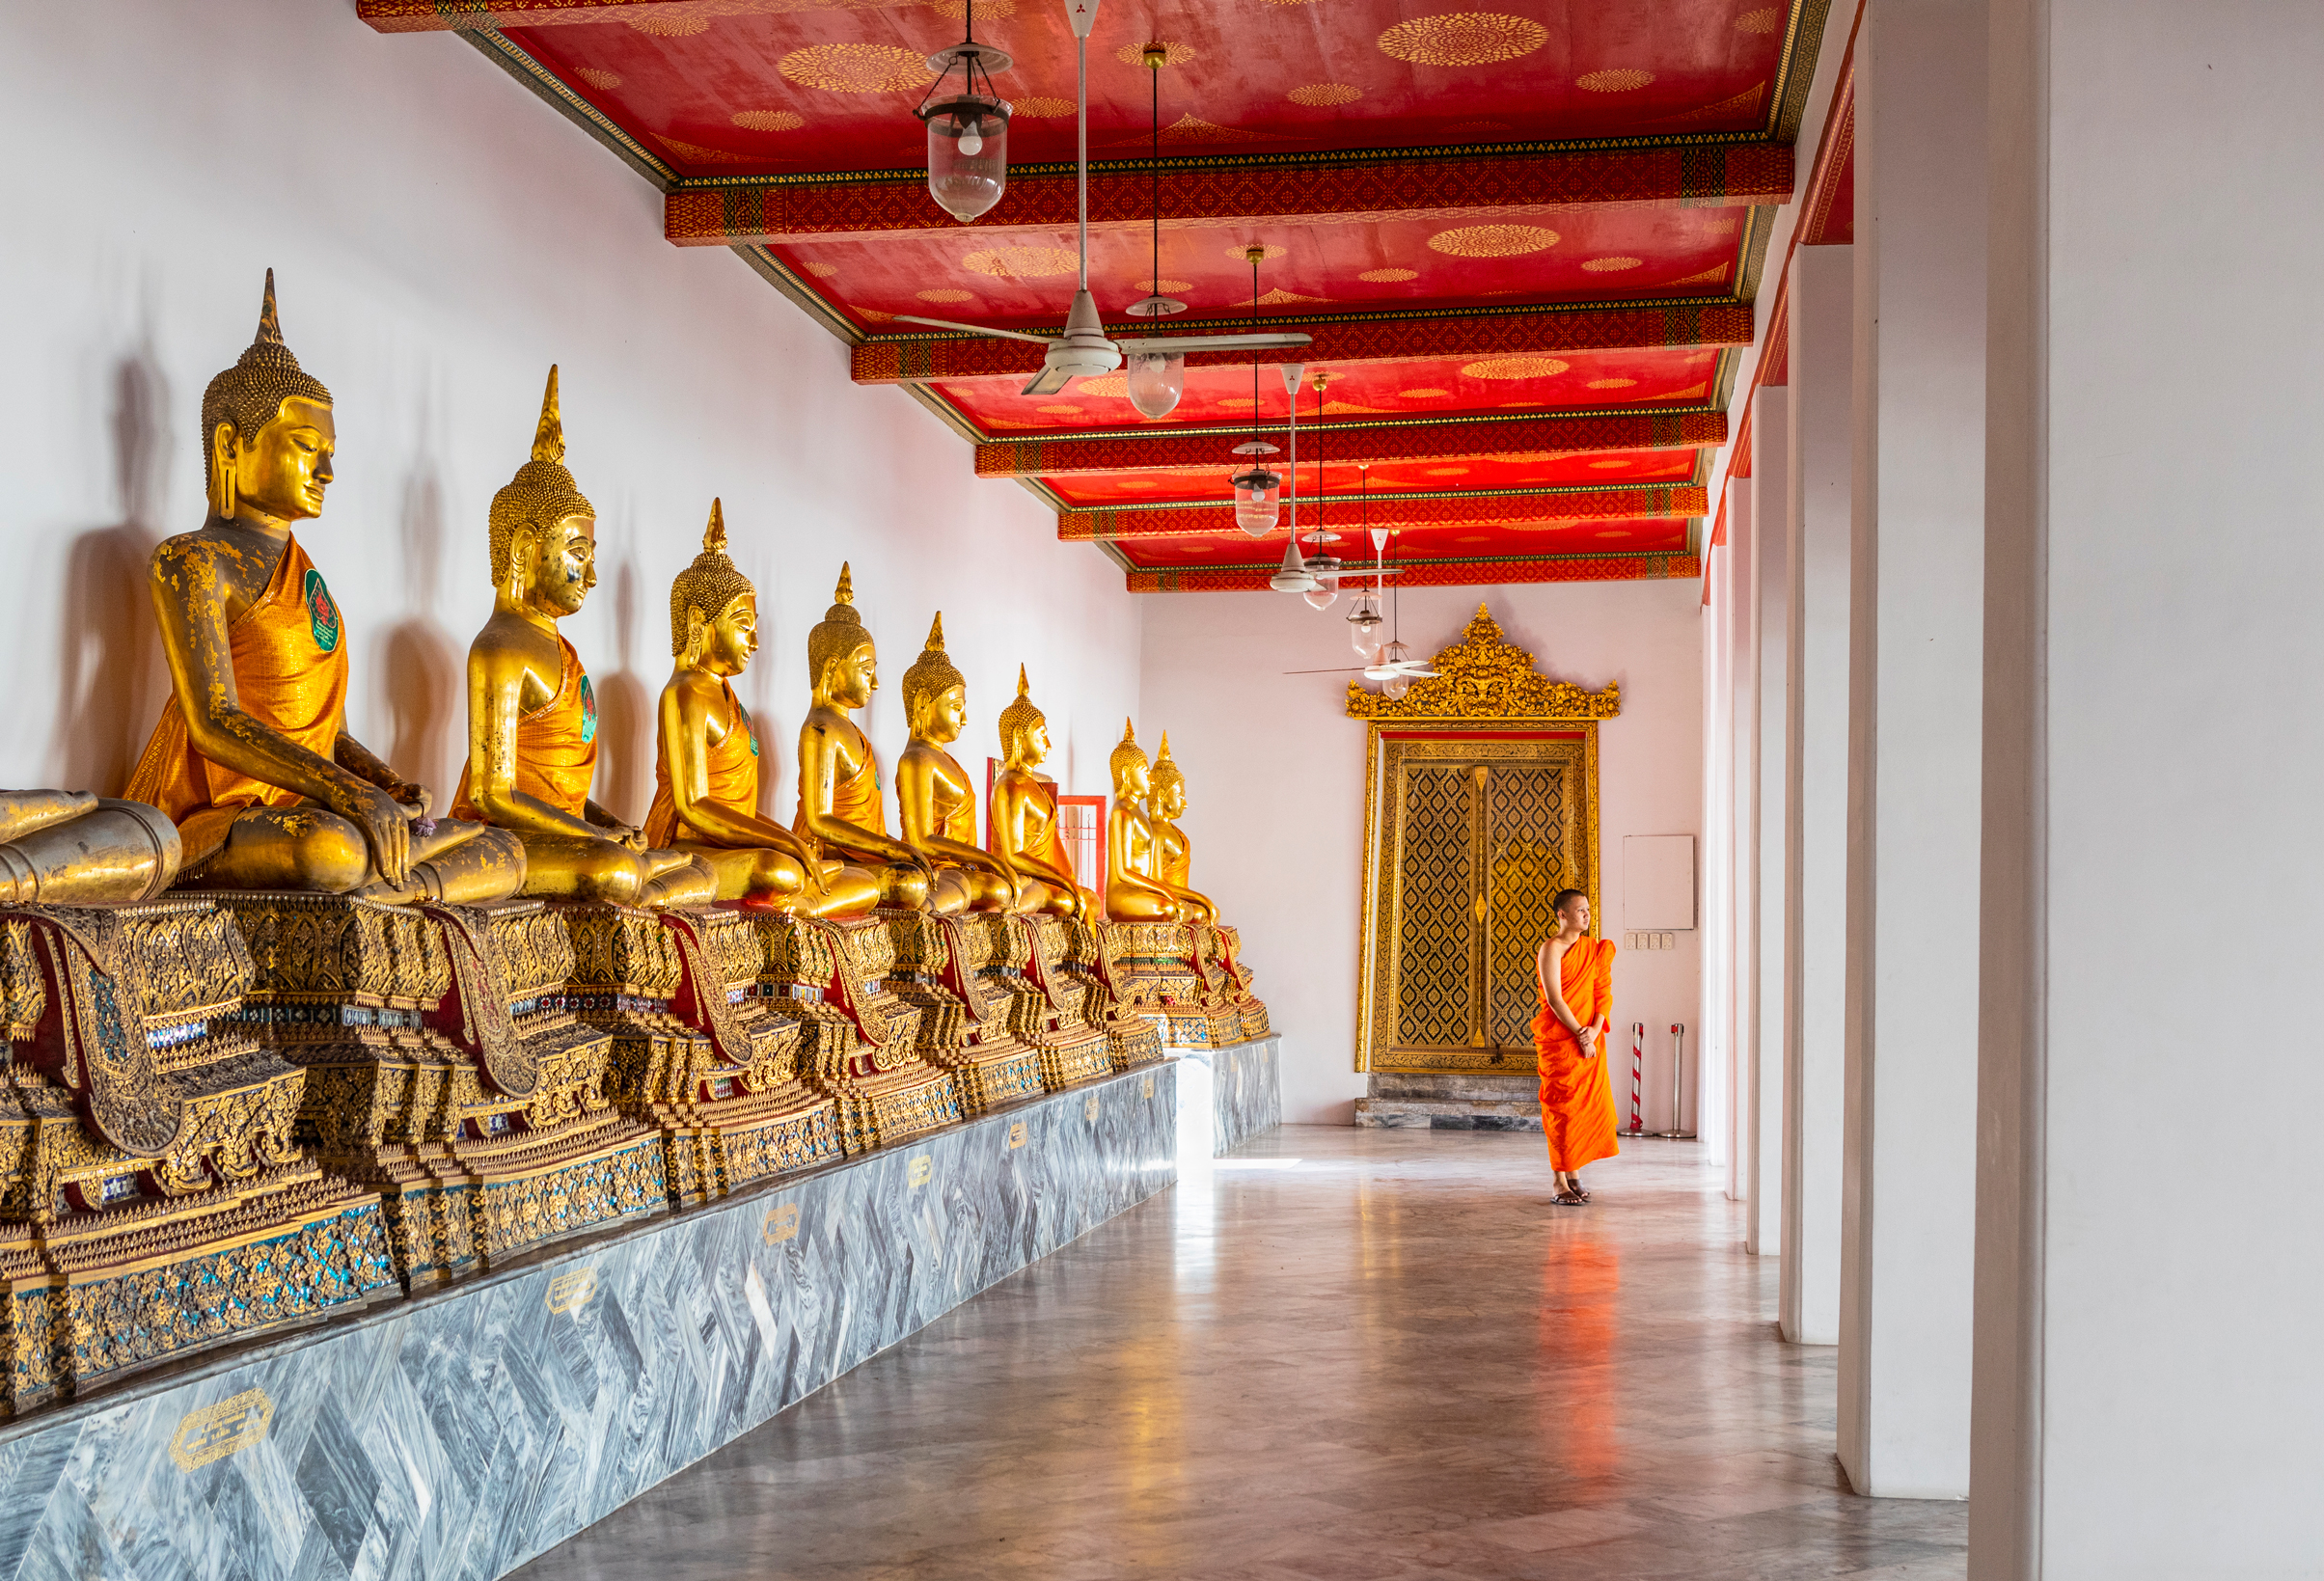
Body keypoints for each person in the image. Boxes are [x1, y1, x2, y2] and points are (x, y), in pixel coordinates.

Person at [1533, 887, 1619, 1205]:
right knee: (1562, 1110)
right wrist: (1579, 1033)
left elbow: (1603, 993)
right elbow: (1555, 998)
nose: (1587, 914)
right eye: (1580, 910)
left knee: (1584, 1109)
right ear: (1562, 914)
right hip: (1561, 1038)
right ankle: (1559, 1181)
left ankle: (1574, 1174)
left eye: (1588, 909)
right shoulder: (1551, 949)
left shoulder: (1593, 949)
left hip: (1591, 1041)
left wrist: (1594, 1031)